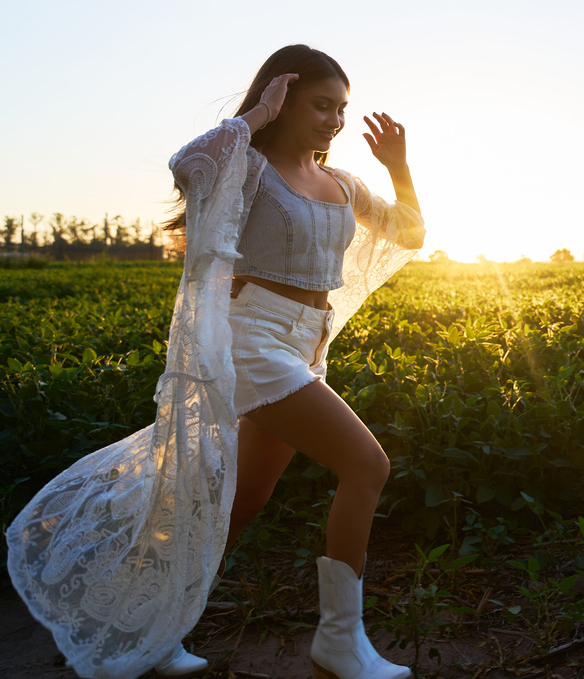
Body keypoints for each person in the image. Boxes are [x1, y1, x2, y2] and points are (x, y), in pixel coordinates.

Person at [6, 45, 426, 679]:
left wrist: (398, 168)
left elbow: (412, 234)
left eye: (341, 108)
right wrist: (256, 115)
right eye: (320, 105)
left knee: (242, 500)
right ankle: (340, 641)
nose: (335, 120)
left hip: (304, 347)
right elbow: (189, 163)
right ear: (282, 99)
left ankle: (150, 631)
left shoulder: (342, 184)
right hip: (251, 339)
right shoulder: (247, 167)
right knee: (367, 464)